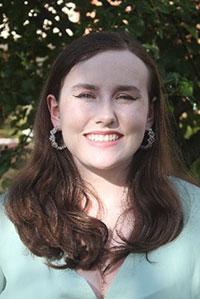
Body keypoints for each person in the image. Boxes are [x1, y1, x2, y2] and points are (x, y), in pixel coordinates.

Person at [0, 31, 200, 299]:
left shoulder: (195, 217)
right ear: (55, 112)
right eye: (86, 95)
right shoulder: (6, 222)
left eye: (125, 97)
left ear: (150, 114)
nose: (105, 116)